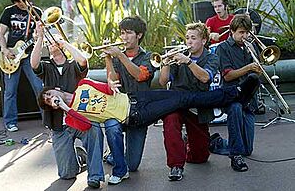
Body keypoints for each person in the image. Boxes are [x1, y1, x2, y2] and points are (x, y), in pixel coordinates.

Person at [38, 75, 259, 138]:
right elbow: (87, 126)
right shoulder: (70, 117)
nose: (51, 98)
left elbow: (107, 87)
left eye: (49, 94)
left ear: (55, 88)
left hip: (136, 97)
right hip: (135, 115)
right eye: (48, 101)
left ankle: (233, 96)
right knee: (182, 101)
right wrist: (66, 109)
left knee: (182, 96)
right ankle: (236, 93)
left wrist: (111, 85)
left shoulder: (83, 84)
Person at [30, 23, 104, 189]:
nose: (51, 45)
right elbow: (33, 64)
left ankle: (95, 175)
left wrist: (65, 43)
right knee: (66, 174)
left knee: (95, 130)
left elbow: (83, 60)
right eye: (49, 45)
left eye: (53, 42)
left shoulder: (73, 65)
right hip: (59, 126)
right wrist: (41, 37)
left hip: (80, 120)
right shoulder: (47, 66)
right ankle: (79, 158)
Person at [159, 22, 218, 181]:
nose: (189, 42)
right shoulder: (180, 56)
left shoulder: (212, 57)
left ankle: (185, 143)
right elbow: (163, 82)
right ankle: (175, 166)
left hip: (198, 105)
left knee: (200, 157)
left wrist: (189, 62)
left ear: (204, 41)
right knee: (170, 121)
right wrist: (165, 64)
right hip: (177, 101)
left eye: (193, 38)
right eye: (187, 38)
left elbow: (205, 77)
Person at [102, 15, 155, 173]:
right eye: (122, 33)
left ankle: (114, 156)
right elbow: (113, 80)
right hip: (119, 109)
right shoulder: (118, 57)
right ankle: (115, 154)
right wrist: (108, 59)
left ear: (139, 35)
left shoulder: (149, 57)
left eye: (129, 33)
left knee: (132, 166)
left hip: (139, 112)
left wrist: (120, 55)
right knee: (111, 126)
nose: (124, 37)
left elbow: (140, 76)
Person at [215, 14, 262, 172]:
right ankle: (235, 157)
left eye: (247, 32)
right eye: (241, 32)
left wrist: (257, 69)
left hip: (248, 98)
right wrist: (249, 68)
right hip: (231, 95)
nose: (245, 36)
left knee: (247, 150)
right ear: (232, 31)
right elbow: (228, 75)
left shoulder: (251, 46)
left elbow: (256, 75)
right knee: (235, 109)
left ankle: (215, 142)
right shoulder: (223, 48)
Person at [0, 0, 43, 132]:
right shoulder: (9, 11)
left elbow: (39, 34)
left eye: (23, 0)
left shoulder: (36, 12)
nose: (21, 4)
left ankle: (48, 119)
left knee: (39, 87)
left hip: (30, 55)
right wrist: (5, 50)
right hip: (11, 56)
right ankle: (10, 122)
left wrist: (38, 36)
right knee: (10, 91)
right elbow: (1, 34)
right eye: (18, 2)